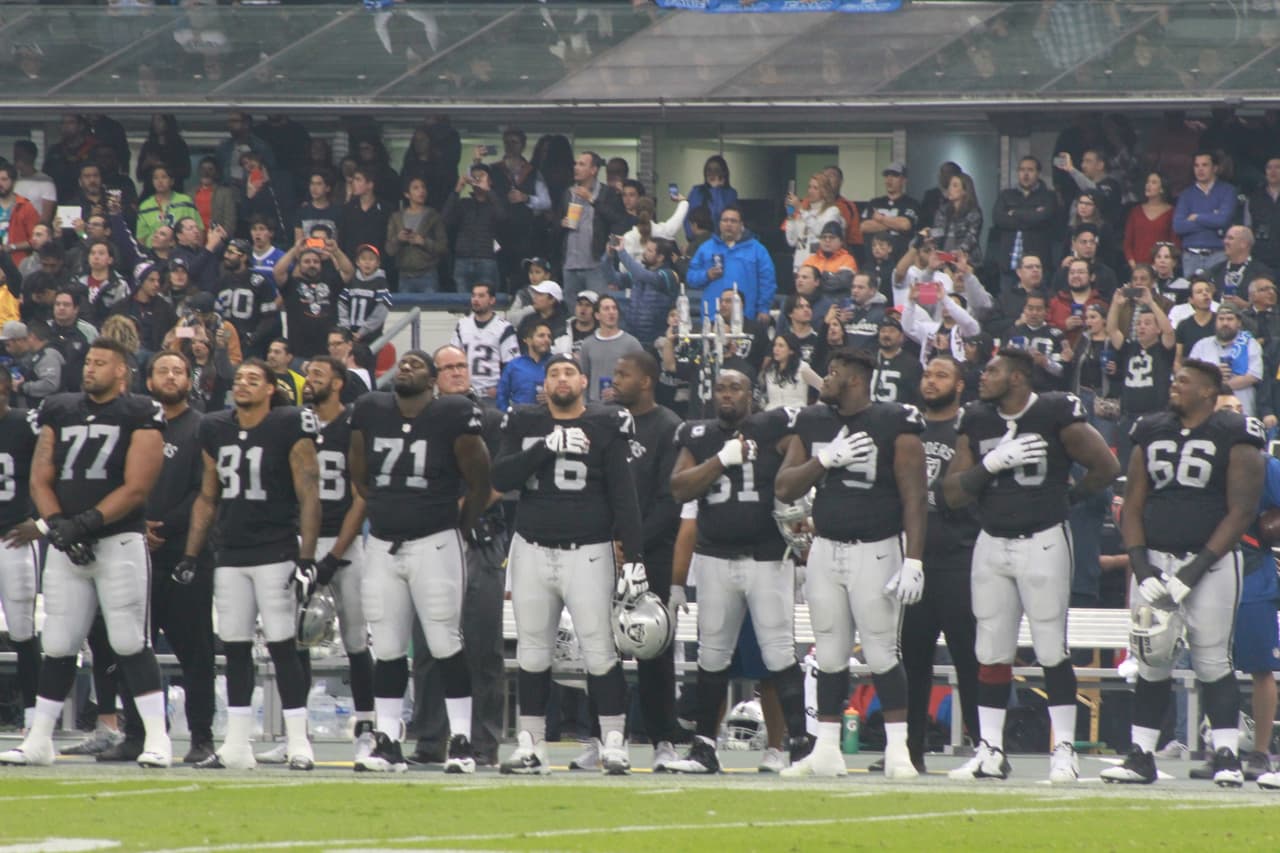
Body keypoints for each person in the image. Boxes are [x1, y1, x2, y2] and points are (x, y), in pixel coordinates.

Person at [943, 347, 1120, 782]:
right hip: (992, 542)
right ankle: (990, 749)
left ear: (1018, 378)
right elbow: (950, 493)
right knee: (991, 650)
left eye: (992, 370)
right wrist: (988, 466)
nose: (982, 377)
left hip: (1043, 539)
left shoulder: (1056, 412)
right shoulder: (977, 419)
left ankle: (1063, 749)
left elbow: (1106, 466)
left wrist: (1070, 497)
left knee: (1050, 649)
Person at [0, 339, 172, 768]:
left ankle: (158, 738)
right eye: (89, 361)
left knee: (130, 639)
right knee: (58, 642)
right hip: (67, 545)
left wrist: (85, 523)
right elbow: (40, 476)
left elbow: (137, 487)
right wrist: (59, 524)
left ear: (122, 372)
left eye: (101, 363)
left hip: (117, 542)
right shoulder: (60, 408)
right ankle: (40, 739)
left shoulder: (140, 412)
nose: (90, 368)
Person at [1101, 364, 1265, 786]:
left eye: (1184, 381)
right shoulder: (1151, 429)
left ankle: (1226, 755)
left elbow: (1242, 510)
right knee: (1151, 658)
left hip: (1210, 562)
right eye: (1173, 379)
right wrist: (1141, 565)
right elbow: (1132, 503)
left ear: (1209, 391)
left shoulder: (1235, 431)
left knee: (1212, 659)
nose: (1174, 385)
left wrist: (1193, 570)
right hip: (1156, 560)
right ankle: (1141, 756)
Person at [775, 348, 928, 779]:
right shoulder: (813, 422)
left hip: (876, 548)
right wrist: (823, 460)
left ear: (856, 380)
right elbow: (784, 487)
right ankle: (826, 748)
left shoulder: (893, 421)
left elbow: (914, 497)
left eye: (834, 371)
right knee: (829, 652)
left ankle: (898, 750)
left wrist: (914, 559)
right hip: (824, 548)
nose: (826, 378)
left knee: (882, 650)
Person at [493, 353, 645, 776]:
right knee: (533, 649)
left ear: (583, 381)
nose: (561, 379)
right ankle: (531, 743)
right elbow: (500, 478)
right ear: (544, 385)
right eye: (553, 373)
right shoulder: (525, 422)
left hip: (590, 551)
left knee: (599, 649)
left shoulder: (605, 424)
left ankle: (613, 740)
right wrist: (546, 446)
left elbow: (624, 498)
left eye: (568, 372)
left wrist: (633, 559)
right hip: (531, 548)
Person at [349, 350, 491, 775]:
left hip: (435, 542)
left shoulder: (452, 413)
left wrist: (457, 527)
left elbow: (481, 481)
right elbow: (361, 477)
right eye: (403, 362)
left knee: (446, 642)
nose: (406, 366)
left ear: (432, 379)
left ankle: (461, 740)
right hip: (384, 544)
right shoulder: (371, 410)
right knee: (389, 647)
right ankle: (389, 740)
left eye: (416, 363)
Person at [664, 371, 810, 775]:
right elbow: (679, 488)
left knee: (780, 652)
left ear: (753, 395)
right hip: (714, 559)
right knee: (712, 655)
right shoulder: (697, 434)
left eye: (736, 388)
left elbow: (801, 449)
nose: (727, 395)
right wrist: (721, 459)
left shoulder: (774, 427)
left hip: (766, 557)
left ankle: (798, 746)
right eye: (721, 388)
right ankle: (704, 748)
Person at [182, 359, 321, 771]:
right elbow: (208, 495)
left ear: (271, 389)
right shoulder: (214, 427)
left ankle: (299, 741)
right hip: (230, 552)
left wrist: (307, 557)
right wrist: (192, 553)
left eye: (253, 379)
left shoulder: (289, 425)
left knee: (282, 645)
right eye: (239, 378)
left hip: (275, 548)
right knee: (236, 647)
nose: (242, 384)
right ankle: (237, 744)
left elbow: (310, 493)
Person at [897, 356, 980, 773]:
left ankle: (986, 748)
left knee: (969, 658)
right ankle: (910, 751)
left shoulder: (968, 430)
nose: (930, 381)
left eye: (941, 375)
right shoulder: (908, 428)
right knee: (913, 659)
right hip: (915, 558)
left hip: (959, 556)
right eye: (927, 374)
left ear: (960, 385)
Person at [297, 356, 377, 764]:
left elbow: (362, 495)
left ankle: (366, 726)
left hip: (344, 542)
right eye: (308, 373)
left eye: (318, 374)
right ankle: (299, 732)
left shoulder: (353, 427)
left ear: (339, 383)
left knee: (356, 638)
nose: (309, 380)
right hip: (303, 542)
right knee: (297, 638)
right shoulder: (294, 422)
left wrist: (335, 553)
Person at [0, 370, 39, 734]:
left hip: (14, 537)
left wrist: (39, 522)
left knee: (23, 631)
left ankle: (33, 718)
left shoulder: (27, 424)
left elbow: (50, 472)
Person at [686, 206, 777, 326]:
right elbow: (691, 277)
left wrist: (763, 308)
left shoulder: (757, 250)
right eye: (725, 220)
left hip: (746, 317)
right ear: (719, 224)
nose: (728, 224)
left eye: (733, 221)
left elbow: (768, 282)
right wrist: (706, 275)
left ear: (741, 225)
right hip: (713, 316)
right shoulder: (705, 248)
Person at [273, 239, 354, 359]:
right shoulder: (291, 285)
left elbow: (348, 272)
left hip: (327, 352)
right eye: (307, 261)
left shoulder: (330, 283)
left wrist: (336, 251)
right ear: (299, 265)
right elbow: (278, 272)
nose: (312, 264)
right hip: (298, 353)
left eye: (316, 262)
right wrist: (294, 250)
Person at [992, 156, 1057, 293]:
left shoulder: (1048, 196)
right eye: (1022, 170)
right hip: (1009, 264)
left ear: (1038, 173)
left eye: (1030, 170)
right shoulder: (1006, 195)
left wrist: (1013, 213)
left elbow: (1043, 218)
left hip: (1037, 266)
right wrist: (1031, 215)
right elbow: (999, 219)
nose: (1025, 174)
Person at [1188, 305, 1264, 417]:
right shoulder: (1202, 345)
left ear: (1239, 322)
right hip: (1207, 412)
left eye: (1230, 319)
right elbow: (1191, 376)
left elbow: (1253, 376)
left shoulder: (1250, 344)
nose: (1225, 323)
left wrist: (1218, 386)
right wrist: (1214, 374)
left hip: (1242, 410)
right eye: (1221, 319)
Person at [450, 282, 518, 404]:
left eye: (481, 296)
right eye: (474, 296)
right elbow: (452, 359)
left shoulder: (504, 328)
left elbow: (512, 365)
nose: (475, 300)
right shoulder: (462, 325)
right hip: (465, 393)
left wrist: (500, 388)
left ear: (492, 300)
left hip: (490, 395)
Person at [443, 165, 506, 294]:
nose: (477, 179)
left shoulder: (495, 202)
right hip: (462, 259)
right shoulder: (464, 204)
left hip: (486, 259)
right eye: (474, 176)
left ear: (490, 180)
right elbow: (445, 219)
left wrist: (488, 190)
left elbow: (502, 218)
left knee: (486, 300)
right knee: (462, 304)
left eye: (481, 176)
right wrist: (457, 190)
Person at [1174, 151, 1237, 276]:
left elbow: (1223, 220)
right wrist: (1212, 218)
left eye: (1204, 165)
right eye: (1196, 166)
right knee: (1192, 293)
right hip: (1191, 256)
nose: (1200, 169)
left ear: (1215, 168)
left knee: (1217, 292)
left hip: (1218, 254)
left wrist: (1196, 217)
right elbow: (1179, 226)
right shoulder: (1186, 195)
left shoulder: (1227, 191)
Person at [215, 239, 281, 359]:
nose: (226, 256)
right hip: (227, 340)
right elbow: (217, 314)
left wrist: (253, 337)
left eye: (231, 252)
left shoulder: (259, 281)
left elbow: (270, 316)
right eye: (226, 252)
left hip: (250, 345)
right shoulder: (222, 281)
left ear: (244, 257)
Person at [385, 177, 446, 294]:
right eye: (416, 188)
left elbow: (442, 247)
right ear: (407, 194)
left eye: (423, 187)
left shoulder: (433, 216)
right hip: (404, 276)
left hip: (428, 274)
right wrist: (398, 239)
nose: (421, 191)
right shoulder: (396, 217)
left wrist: (423, 242)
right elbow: (389, 249)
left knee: (430, 311)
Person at [578, 294, 643, 404]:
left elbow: (641, 376)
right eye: (606, 309)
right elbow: (583, 377)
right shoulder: (588, 344)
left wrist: (622, 392)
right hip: (594, 406)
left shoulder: (631, 343)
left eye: (614, 308)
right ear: (597, 315)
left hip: (623, 405)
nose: (611, 312)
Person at [784, 173, 845, 274]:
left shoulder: (832, 211)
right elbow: (792, 241)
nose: (810, 191)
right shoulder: (804, 212)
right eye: (809, 187)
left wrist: (800, 209)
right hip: (799, 267)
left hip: (819, 269)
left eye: (815, 188)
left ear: (825, 191)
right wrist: (790, 216)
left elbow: (820, 231)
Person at [860, 162, 921, 263]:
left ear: (904, 180)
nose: (889, 179)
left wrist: (881, 219)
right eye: (887, 175)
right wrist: (894, 223)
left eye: (895, 176)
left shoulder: (911, 203)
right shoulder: (874, 202)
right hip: (874, 261)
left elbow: (905, 225)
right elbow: (864, 227)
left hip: (900, 259)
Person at [338, 244, 393, 345]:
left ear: (377, 263)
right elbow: (342, 304)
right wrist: (345, 328)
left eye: (371, 259)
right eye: (363, 259)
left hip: (371, 338)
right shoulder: (352, 282)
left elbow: (381, 311)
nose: (367, 262)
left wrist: (363, 331)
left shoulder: (381, 284)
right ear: (357, 262)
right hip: (349, 337)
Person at [1124, 173, 1177, 271]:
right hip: (1138, 268)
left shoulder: (1172, 212)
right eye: (1147, 182)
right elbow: (1128, 243)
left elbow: (1174, 242)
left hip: (1161, 268)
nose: (1148, 185)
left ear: (1162, 189)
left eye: (1153, 182)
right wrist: (1133, 265)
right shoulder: (1136, 211)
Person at [496, 320, 551, 412]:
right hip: (520, 420)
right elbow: (502, 396)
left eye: (549, 336)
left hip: (550, 420)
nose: (547, 340)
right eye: (541, 336)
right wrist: (507, 416)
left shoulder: (556, 364)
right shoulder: (513, 366)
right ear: (528, 340)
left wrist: (553, 398)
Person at [683, 155, 738, 242]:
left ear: (723, 172)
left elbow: (720, 215)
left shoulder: (730, 193)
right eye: (709, 170)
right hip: (696, 239)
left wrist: (716, 190)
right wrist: (692, 237)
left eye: (716, 170)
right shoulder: (696, 191)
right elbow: (687, 217)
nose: (712, 173)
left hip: (718, 240)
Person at [933, 172, 984, 265]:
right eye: (949, 185)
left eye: (955, 186)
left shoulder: (974, 213)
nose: (950, 189)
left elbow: (970, 239)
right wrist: (929, 234)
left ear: (965, 191)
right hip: (943, 260)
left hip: (966, 262)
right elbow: (938, 232)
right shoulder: (942, 211)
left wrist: (954, 255)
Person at [872, 316, 922, 407]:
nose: (886, 335)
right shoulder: (868, 359)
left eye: (892, 331)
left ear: (901, 337)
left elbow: (917, 398)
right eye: (883, 331)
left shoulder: (912, 365)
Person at [763, 333, 822, 410]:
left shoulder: (802, 368)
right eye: (775, 345)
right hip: (772, 415)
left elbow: (824, 387)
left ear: (791, 351)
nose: (776, 349)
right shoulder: (770, 369)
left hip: (796, 415)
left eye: (781, 346)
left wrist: (817, 408)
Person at [266, 338, 304, 405]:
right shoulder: (261, 375)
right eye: (270, 351)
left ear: (288, 357)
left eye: (277, 352)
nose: (271, 355)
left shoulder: (301, 381)